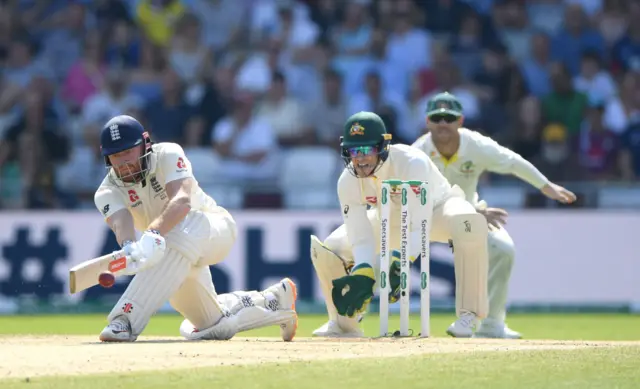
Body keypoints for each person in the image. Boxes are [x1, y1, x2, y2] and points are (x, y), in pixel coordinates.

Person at [93, 115, 298, 342]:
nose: (123, 163)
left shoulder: (168, 154)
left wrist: (152, 233)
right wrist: (129, 248)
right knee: (214, 326)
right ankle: (276, 301)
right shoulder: (106, 192)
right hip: (172, 252)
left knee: (180, 230)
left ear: (144, 144)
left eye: (127, 152)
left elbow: (182, 201)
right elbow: (121, 223)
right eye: (115, 156)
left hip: (210, 227)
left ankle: (124, 320)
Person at [310, 111, 490, 338]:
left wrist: (403, 261)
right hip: (389, 220)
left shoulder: (411, 163)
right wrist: (364, 270)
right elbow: (360, 233)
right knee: (330, 247)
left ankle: (469, 315)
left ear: (383, 147)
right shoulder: (347, 181)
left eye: (367, 150)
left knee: (469, 223)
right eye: (354, 151)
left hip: (436, 212)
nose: (360, 159)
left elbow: (418, 223)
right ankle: (343, 324)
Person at [412, 92, 577, 338]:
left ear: (460, 121)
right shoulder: (418, 152)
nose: (443, 123)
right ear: (427, 122)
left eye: (449, 117)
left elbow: (512, 162)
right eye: (437, 118)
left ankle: (491, 324)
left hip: (469, 215)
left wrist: (545, 186)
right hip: (429, 219)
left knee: (502, 249)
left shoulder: (476, 145)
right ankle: (351, 316)